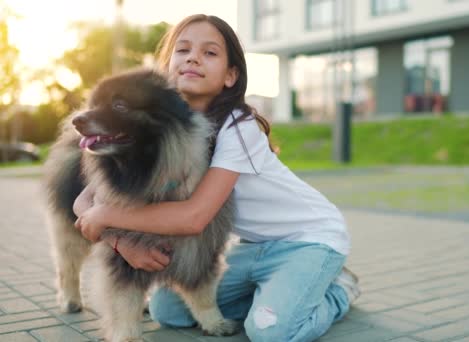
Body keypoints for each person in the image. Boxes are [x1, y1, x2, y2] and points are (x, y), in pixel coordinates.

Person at [73, 14, 360, 342]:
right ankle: (282, 292)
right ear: (168, 66)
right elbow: (84, 203)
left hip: (309, 238)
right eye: (183, 50)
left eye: (210, 53)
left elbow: (194, 218)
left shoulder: (239, 128)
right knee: (169, 311)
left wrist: (107, 217)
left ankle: (338, 290)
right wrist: (122, 243)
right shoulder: (158, 130)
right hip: (254, 248)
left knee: (270, 333)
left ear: (230, 75)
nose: (193, 57)